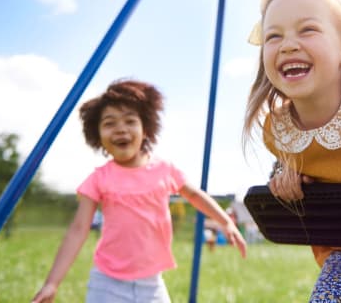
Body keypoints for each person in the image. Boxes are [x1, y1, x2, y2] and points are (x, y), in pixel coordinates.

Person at [243, 0, 341, 302]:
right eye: (274, 36)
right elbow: (296, 166)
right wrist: (285, 182)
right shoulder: (278, 131)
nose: (288, 45)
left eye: (307, 29)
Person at [32, 79, 246, 303]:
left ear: (145, 129)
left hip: (151, 284)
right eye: (109, 123)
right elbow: (78, 229)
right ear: (98, 135)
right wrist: (52, 283)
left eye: (130, 121)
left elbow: (194, 195)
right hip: (106, 283)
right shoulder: (98, 179)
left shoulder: (164, 170)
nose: (121, 129)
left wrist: (225, 221)